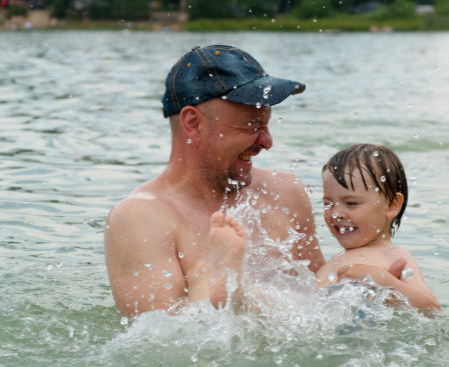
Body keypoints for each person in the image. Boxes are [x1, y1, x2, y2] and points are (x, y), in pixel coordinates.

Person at [104, 45, 325, 317]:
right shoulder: (141, 218)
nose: (267, 142)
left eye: (266, 126)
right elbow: (158, 347)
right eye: (250, 127)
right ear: (193, 123)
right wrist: (209, 271)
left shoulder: (285, 191)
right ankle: (215, 284)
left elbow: (322, 303)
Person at [204, 144, 440, 314]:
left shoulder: (395, 257)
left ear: (392, 205)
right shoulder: (337, 260)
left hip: (353, 338)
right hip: (317, 319)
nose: (335, 213)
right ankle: (235, 291)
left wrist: (384, 281)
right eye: (328, 203)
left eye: (351, 203)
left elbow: (431, 307)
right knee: (275, 302)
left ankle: (236, 294)